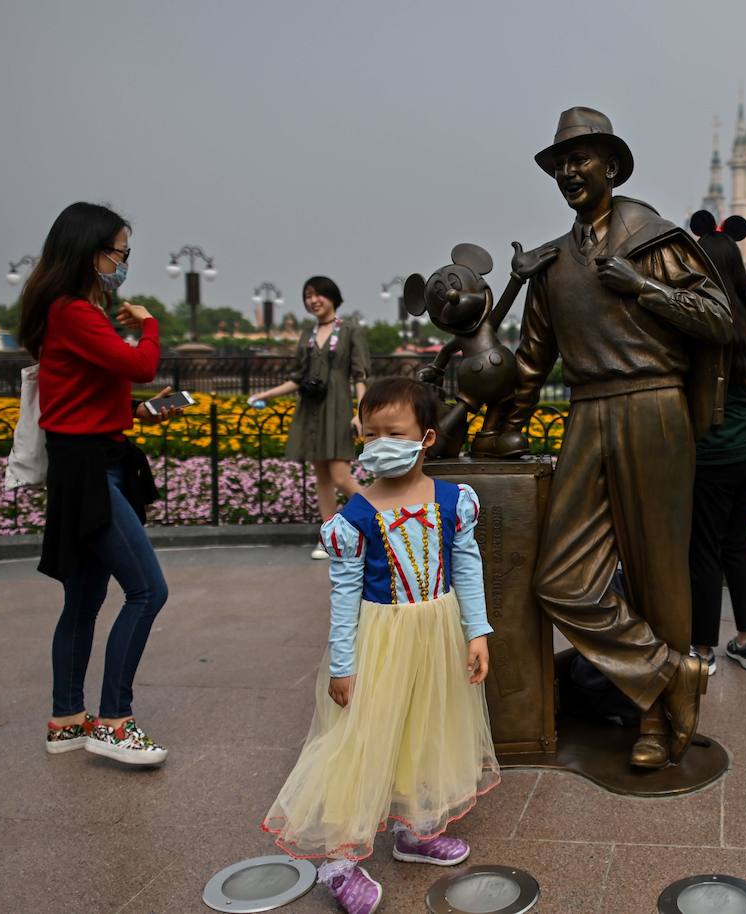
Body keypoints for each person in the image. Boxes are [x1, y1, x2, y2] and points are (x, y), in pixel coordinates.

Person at [503, 107, 733, 769]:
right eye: (560, 164)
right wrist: (499, 425)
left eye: (581, 159)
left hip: (654, 408)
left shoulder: (654, 240)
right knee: (560, 580)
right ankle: (670, 672)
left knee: (660, 573)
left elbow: (720, 320)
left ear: (612, 166)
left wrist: (644, 288)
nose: (570, 172)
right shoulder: (550, 265)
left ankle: (654, 722)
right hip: (587, 412)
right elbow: (529, 360)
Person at [263, 377, 497, 914]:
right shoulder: (356, 516)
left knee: (426, 727)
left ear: (428, 438)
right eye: (371, 434)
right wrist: (342, 666)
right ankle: (338, 860)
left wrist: (477, 630)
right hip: (380, 641)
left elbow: (466, 563)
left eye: (395, 432)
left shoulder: (451, 499)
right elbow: (343, 595)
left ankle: (415, 830)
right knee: (359, 740)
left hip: (436, 635)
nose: (381, 443)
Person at [20, 201, 180, 766]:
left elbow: (82, 399)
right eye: (119, 251)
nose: (123, 261)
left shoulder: (72, 312)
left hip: (90, 457)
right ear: (90, 252)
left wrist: (141, 414)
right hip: (89, 469)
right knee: (147, 590)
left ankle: (67, 719)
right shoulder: (74, 312)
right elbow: (138, 366)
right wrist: (151, 326)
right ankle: (114, 720)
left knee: (85, 596)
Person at [686, 211, 746, 674]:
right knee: (737, 545)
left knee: (703, 550)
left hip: (715, 453)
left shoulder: (703, 325)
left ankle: (702, 649)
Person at [249, 277, 371, 558]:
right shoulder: (307, 334)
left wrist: (360, 413)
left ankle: (384, 518)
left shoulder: (350, 330)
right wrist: (264, 395)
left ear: (332, 297)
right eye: (308, 296)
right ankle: (329, 537)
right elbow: (297, 378)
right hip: (312, 409)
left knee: (341, 477)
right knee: (322, 477)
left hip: (338, 407)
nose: (313, 300)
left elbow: (360, 376)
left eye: (318, 295)